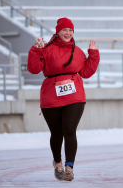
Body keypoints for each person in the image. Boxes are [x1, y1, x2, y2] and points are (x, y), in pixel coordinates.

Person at [27, 17, 100, 181]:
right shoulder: (46, 49)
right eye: (64, 30)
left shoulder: (79, 51)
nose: (68, 33)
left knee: (69, 130)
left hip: (75, 96)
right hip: (51, 97)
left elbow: (86, 72)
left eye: (70, 30)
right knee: (57, 133)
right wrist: (36, 50)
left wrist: (93, 54)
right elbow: (33, 69)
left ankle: (69, 167)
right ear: (57, 31)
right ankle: (57, 162)